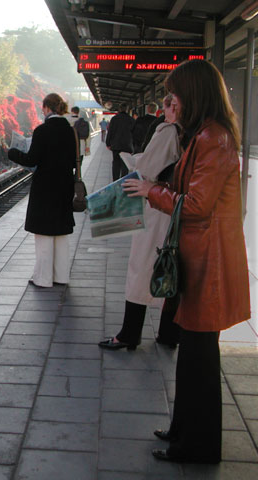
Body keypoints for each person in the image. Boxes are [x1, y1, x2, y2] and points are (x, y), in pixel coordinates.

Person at [123, 59, 250, 464]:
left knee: (199, 361)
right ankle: (184, 431)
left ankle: (197, 447)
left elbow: (195, 205)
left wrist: (149, 191)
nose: (169, 101)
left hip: (207, 265)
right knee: (194, 359)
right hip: (199, 260)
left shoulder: (213, 138)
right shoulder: (205, 135)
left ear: (192, 94)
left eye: (174, 94)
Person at [98, 94, 181, 352]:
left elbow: (147, 166)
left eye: (170, 104)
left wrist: (132, 159)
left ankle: (129, 334)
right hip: (176, 207)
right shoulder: (195, 130)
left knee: (141, 268)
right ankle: (169, 332)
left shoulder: (169, 131)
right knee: (170, 266)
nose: (167, 110)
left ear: (173, 107)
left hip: (156, 205)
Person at [7, 93, 76, 287]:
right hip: (65, 185)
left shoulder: (42, 131)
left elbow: (32, 160)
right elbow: (73, 160)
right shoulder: (71, 131)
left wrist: (13, 153)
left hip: (46, 187)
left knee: (44, 234)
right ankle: (61, 276)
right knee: (61, 234)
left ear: (46, 108)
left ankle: (43, 278)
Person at [105, 103, 134, 181]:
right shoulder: (131, 119)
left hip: (116, 145)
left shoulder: (114, 119)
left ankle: (115, 180)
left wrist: (108, 143)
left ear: (119, 109)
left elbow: (110, 131)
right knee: (125, 164)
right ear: (127, 110)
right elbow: (133, 133)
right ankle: (123, 180)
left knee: (116, 163)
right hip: (127, 146)